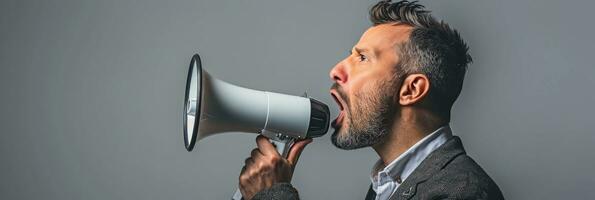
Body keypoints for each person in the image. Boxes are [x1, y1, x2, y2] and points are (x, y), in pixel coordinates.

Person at [238, 0, 504, 199]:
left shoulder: (463, 192)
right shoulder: (389, 184)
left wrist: (271, 194)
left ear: (411, 90)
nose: (336, 70)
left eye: (362, 58)